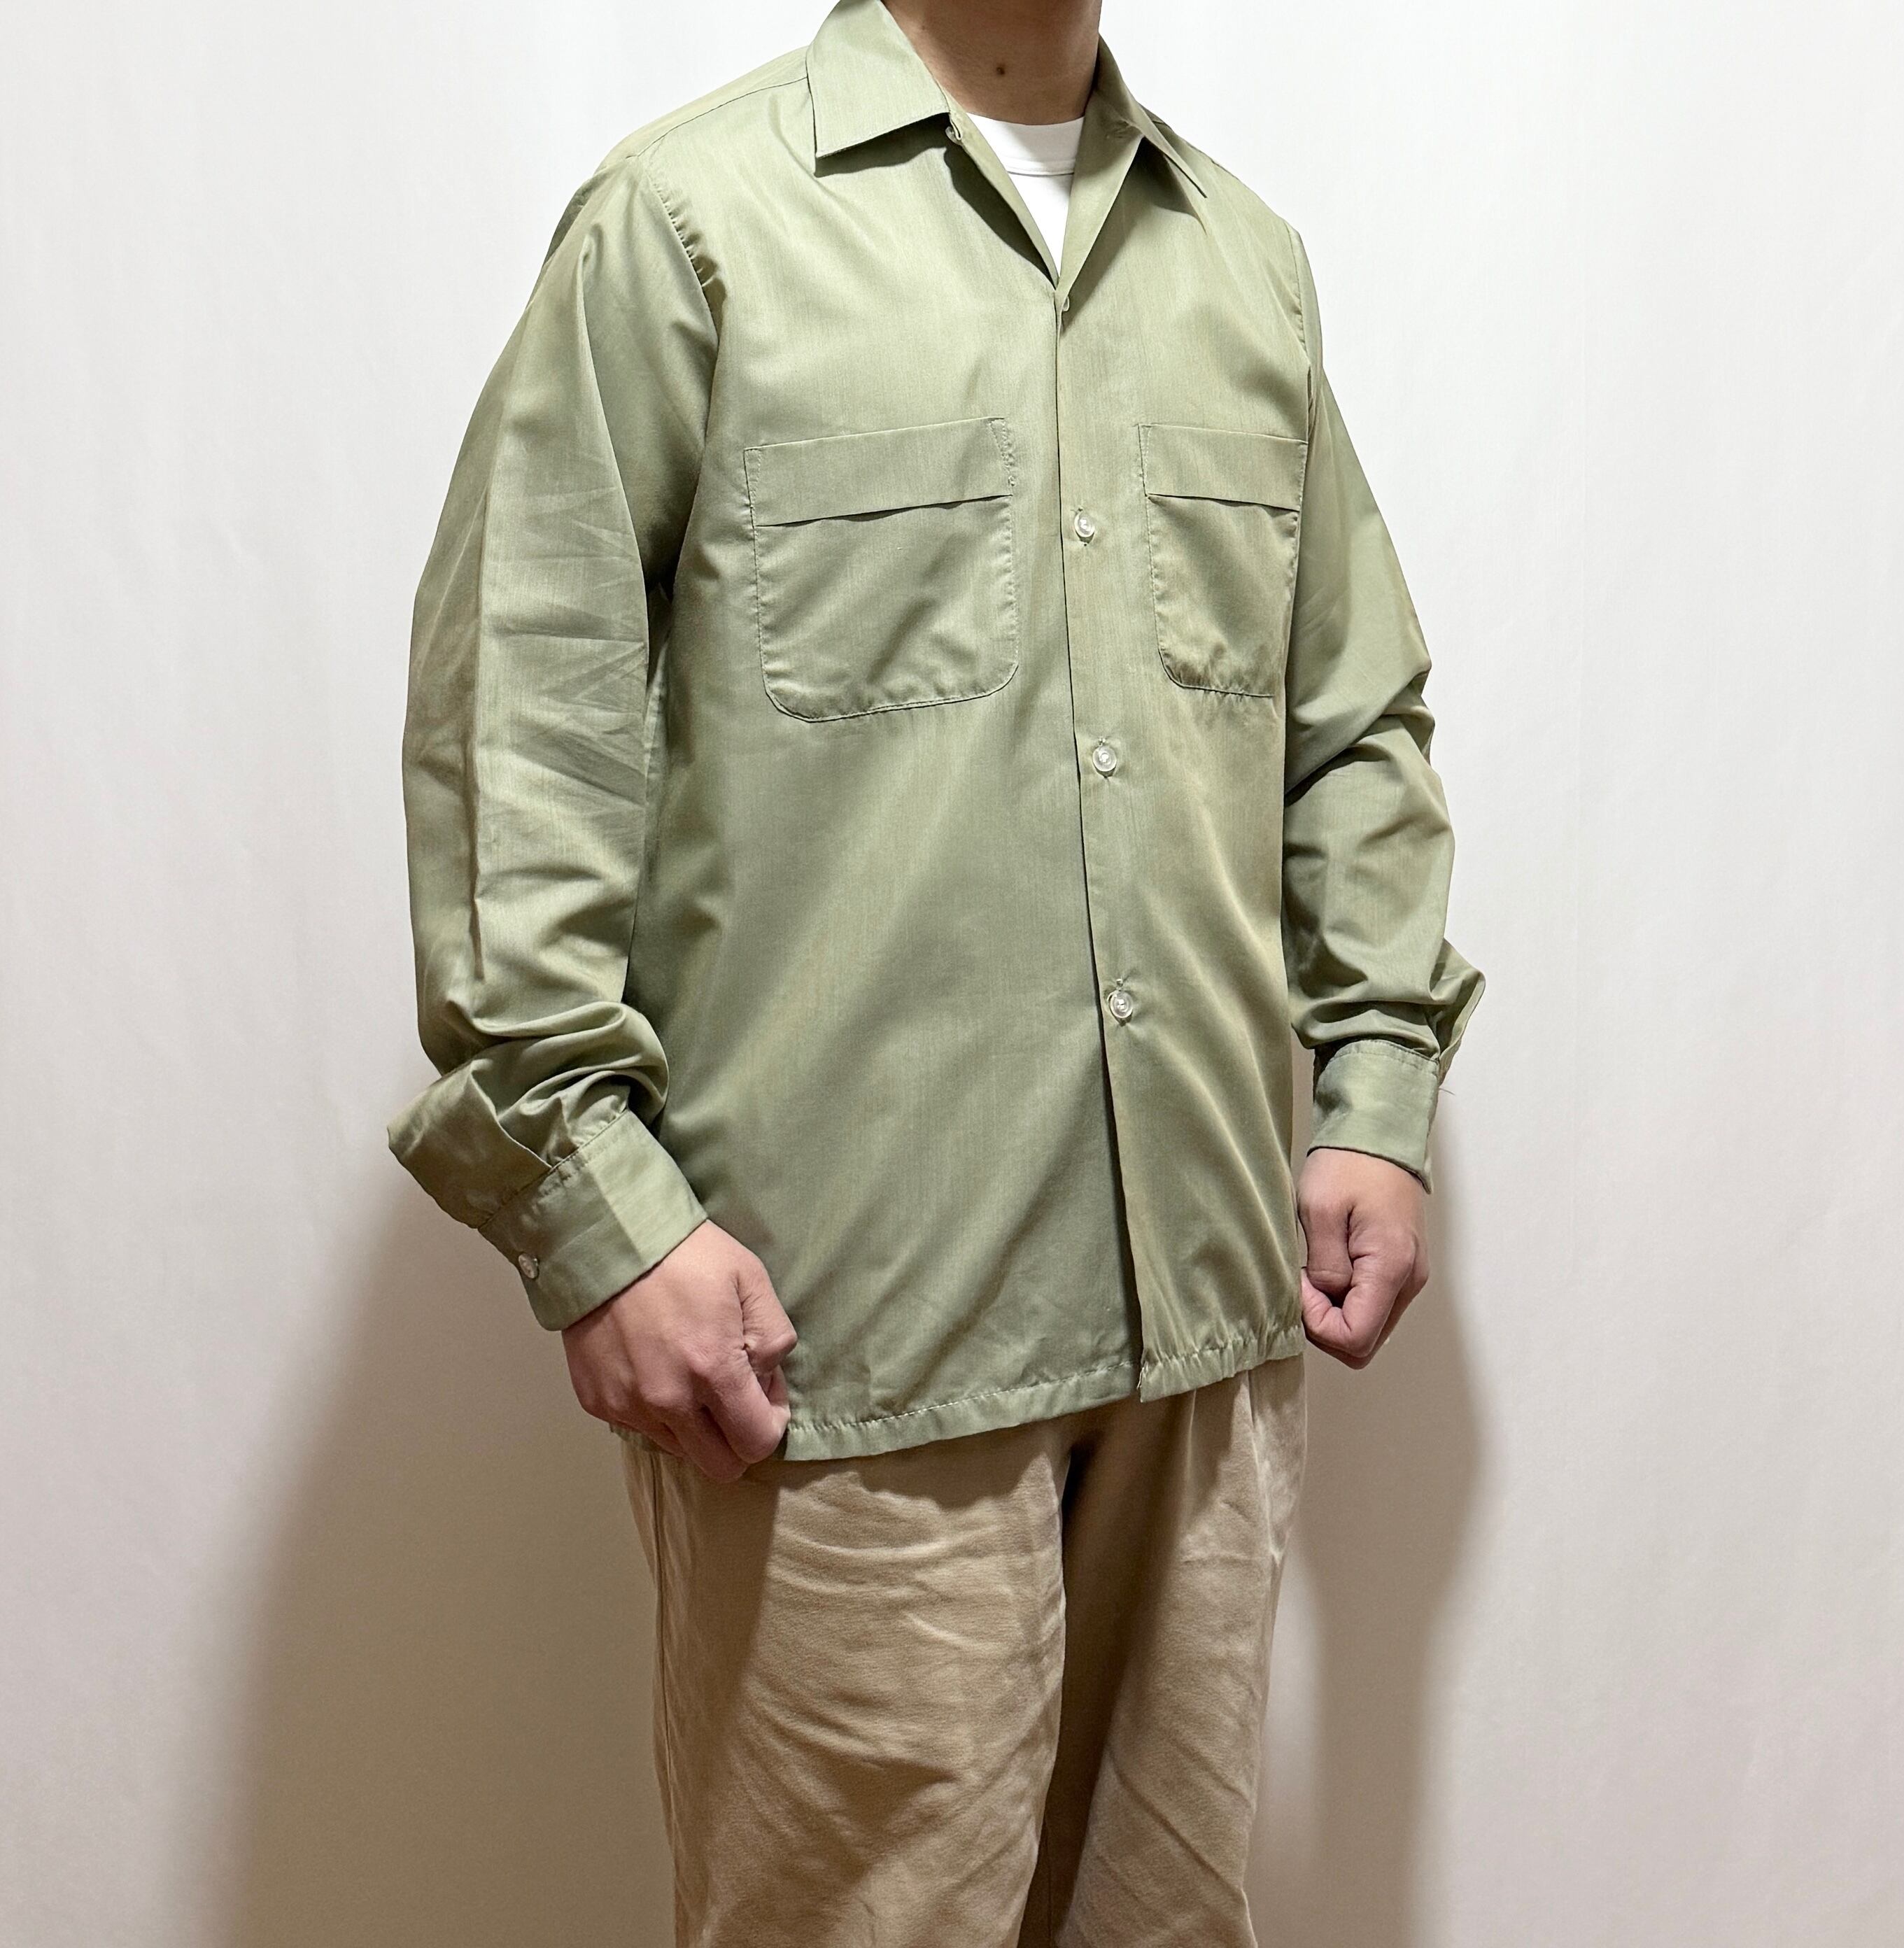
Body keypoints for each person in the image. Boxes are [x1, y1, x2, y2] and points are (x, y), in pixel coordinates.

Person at [386, 0, 1483, 1940]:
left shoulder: (1244, 262)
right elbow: (521, 731)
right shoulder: (687, 226)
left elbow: (1348, 721)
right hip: (840, 1349)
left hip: (1202, 1327)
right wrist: (597, 1214)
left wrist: (1379, 1088)